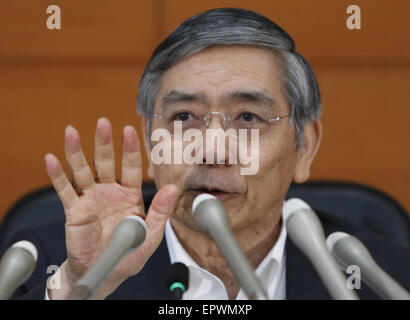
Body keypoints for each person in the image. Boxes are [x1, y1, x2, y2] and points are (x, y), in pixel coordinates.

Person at [8, 8, 410, 300]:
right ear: (151, 146)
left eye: (248, 117)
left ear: (304, 146)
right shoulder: (56, 269)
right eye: (184, 116)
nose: (213, 150)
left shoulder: (383, 276)